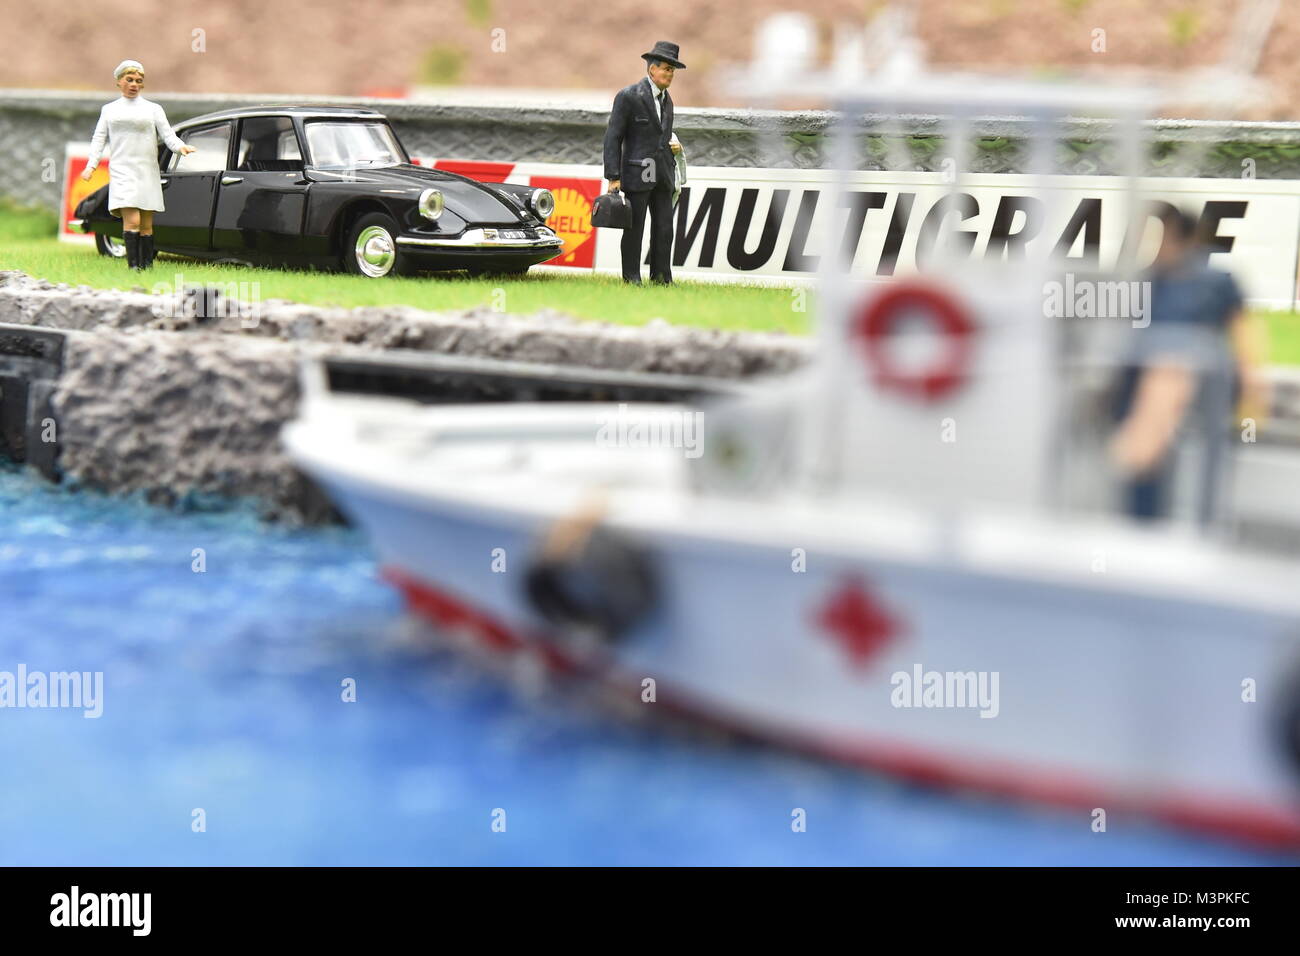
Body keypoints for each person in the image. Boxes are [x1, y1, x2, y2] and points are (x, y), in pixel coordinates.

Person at [1108, 204, 1270, 523]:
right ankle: (1143, 516)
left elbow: (1243, 332)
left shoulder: (1215, 280)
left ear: (1178, 238)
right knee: (1159, 373)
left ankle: (1142, 445)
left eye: (1160, 238)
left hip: (1201, 378)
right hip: (1153, 376)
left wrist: (1254, 387)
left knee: (1169, 368)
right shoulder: (1151, 280)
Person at [81, 60, 195, 270]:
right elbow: (99, 138)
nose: (134, 84)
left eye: (138, 81)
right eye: (129, 79)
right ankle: (133, 266)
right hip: (122, 170)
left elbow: (168, 135)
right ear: (119, 82)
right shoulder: (109, 110)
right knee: (131, 219)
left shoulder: (153, 109)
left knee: (146, 223)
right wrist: (91, 165)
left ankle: (146, 265)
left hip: (146, 170)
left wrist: (180, 147)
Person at [602, 41, 685, 285]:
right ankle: (632, 277)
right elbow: (613, 137)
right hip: (638, 175)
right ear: (652, 69)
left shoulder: (667, 101)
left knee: (664, 229)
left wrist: (675, 149)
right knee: (634, 229)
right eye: (667, 69)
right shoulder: (629, 96)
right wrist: (613, 176)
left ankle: (662, 277)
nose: (670, 75)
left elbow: (663, 134)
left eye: (673, 70)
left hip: (662, 175)